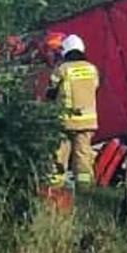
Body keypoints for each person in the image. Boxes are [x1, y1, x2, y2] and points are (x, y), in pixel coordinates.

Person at [48, 34, 100, 185]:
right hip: (87, 121)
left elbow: (50, 91)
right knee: (83, 155)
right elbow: (96, 87)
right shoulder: (92, 69)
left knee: (59, 154)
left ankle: (55, 185)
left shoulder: (62, 69)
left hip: (65, 121)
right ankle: (84, 186)